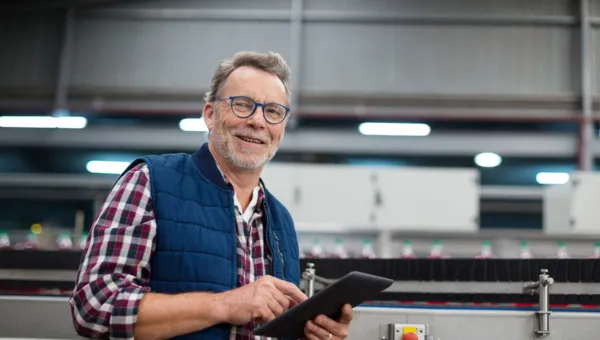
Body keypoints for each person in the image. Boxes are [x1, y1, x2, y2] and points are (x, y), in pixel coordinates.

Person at [69, 51, 353, 340]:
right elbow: (94, 306)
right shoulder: (150, 182)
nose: (258, 121)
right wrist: (225, 305)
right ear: (210, 115)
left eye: (273, 111)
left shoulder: (281, 222)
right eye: (242, 105)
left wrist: (310, 333)